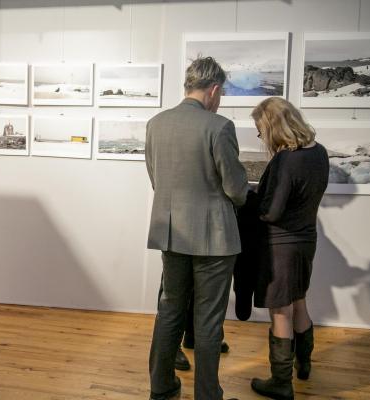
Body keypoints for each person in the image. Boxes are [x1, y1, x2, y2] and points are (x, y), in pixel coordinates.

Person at [146, 56, 248, 400]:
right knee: (208, 320)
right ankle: (207, 395)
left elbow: (155, 177)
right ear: (214, 89)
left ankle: (161, 388)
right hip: (215, 239)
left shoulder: (156, 123)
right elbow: (235, 188)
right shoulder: (218, 126)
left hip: (171, 232)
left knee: (169, 310)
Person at [250, 97, 329, 400]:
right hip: (307, 241)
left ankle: (281, 382)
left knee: (280, 312)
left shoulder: (287, 159)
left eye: (261, 131)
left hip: (281, 246)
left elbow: (273, 212)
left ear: (273, 127)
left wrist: (253, 205)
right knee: (299, 302)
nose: (262, 138)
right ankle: (304, 364)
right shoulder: (319, 152)